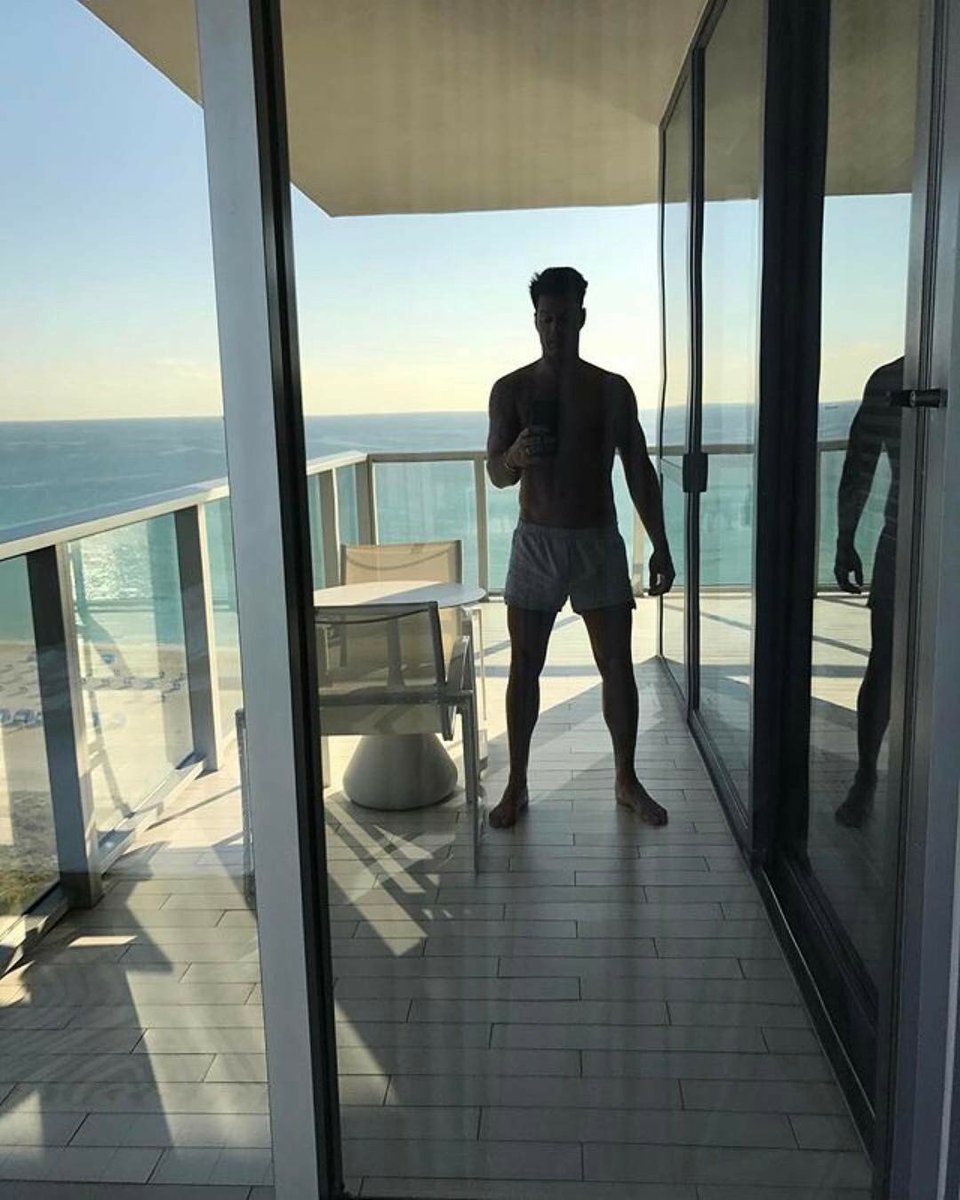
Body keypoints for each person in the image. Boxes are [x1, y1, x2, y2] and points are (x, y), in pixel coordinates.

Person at [485, 267, 675, 830]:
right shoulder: (512, 390)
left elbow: (638, 469)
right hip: (536, 540)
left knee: (617, 665)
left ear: (582, 318)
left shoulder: (611, 390)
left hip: (597, 539)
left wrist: (661, 544)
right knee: (525, 665)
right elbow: (496, 473)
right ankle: (517, 784)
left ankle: (626, 779)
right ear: (535, 320)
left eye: (565, 319)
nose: (555, 329)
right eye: (547, 319)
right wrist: (515, 456)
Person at [833, 356, 904, 827]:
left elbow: (859, 466)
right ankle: (864, 775)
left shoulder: (890, 379)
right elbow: (860, 467)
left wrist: (845, 541)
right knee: (882, 664)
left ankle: (865, 778)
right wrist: (844, 539)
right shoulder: (891, 381)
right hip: (900, 540)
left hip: (898, 538)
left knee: (883, 663)